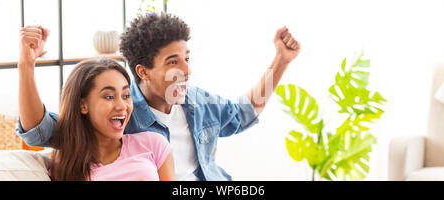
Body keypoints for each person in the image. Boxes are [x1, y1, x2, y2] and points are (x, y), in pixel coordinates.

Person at [16, 12, 301, 181]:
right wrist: (27, 64)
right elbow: (39, 129)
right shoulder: (120, 115)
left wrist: (282, 61)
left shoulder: (197, 102)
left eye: (187, 58)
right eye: (174, 62)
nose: (187, 70)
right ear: (144, 71)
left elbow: (242, 114)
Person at [18, 26, 175, 181]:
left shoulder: (154, 143)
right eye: (108, 97)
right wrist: (26, 64)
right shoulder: (67, 168)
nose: (122, 106)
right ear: (83, 105)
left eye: (126, 95)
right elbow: (36, 128)